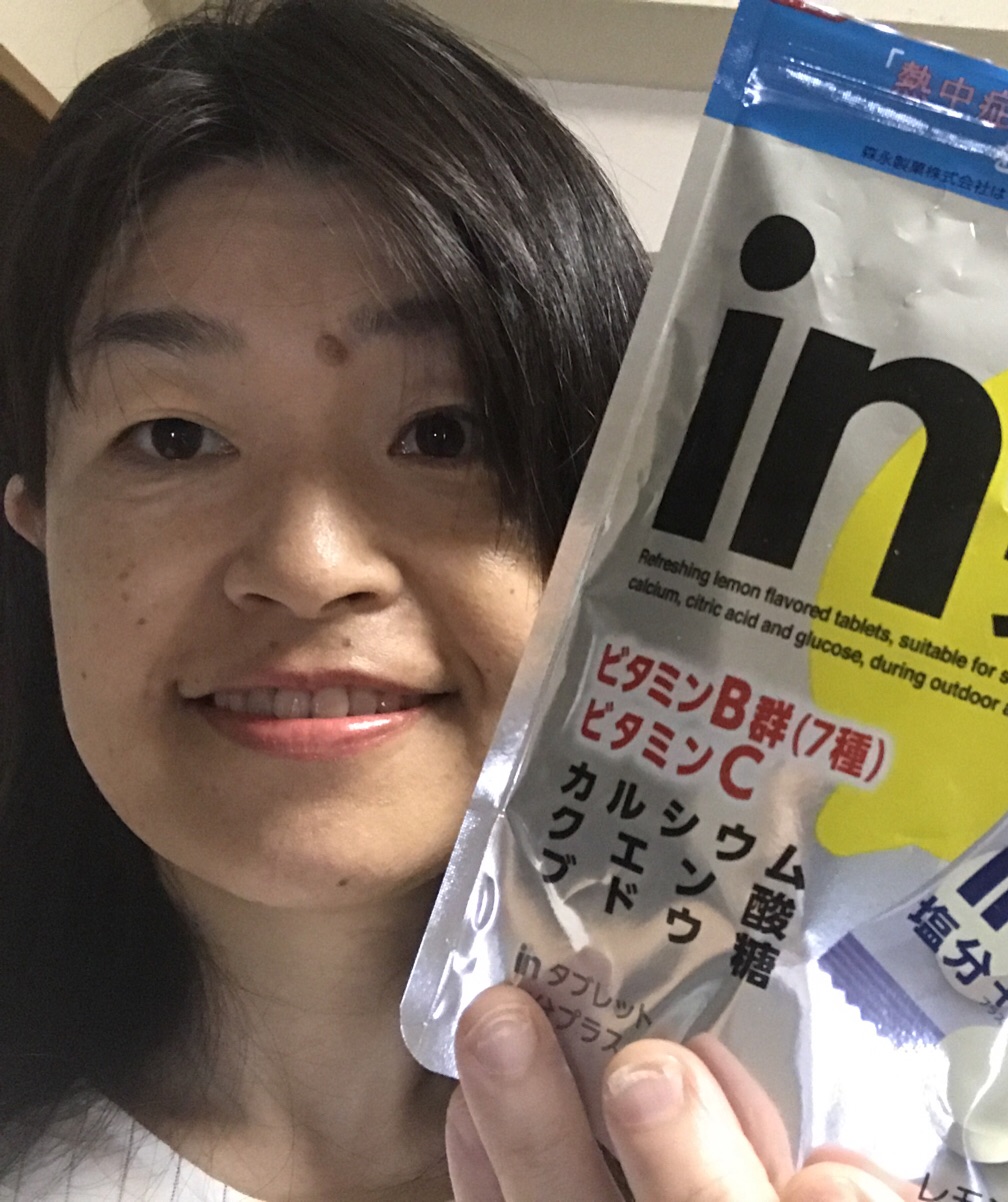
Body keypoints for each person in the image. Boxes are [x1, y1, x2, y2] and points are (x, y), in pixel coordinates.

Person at [0, 2, 905, 1199]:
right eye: (175, 435)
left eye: (444, 432)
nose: (311, 561)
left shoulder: (864, 1137)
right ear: (39, 519)